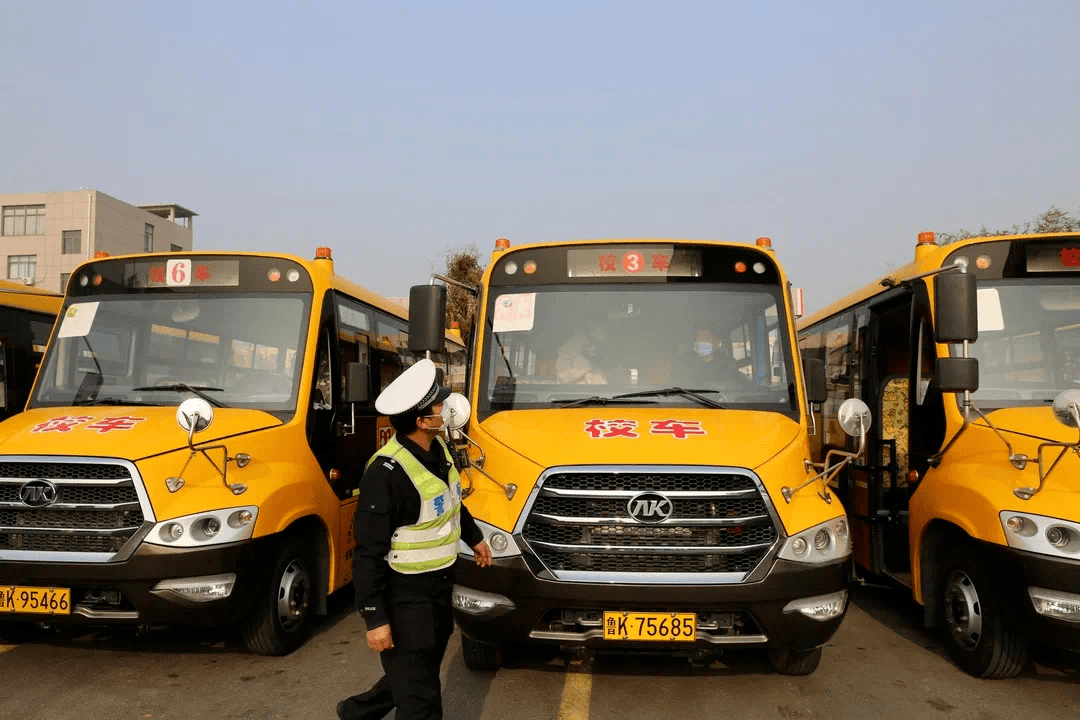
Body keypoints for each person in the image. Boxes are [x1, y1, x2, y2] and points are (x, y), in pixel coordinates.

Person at [337, 358, 492, 720]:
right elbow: (368, 554)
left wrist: (475, 538)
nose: (448, 410)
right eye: (440, 406)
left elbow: (451, 501)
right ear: (422, 422)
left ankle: (355, 712)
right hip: (405, 597)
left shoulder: (438, 451)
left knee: (414, 670)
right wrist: (374, 618)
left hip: (439, 586)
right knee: (421, 698)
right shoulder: (385, 473)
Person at [673, 328, 753, 391]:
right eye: (698, 340)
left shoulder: (728, 363)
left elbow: (738, 385)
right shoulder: (683, 363)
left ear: (716, 343)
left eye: (706, 339)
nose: (700, 343)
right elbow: (675, 387)